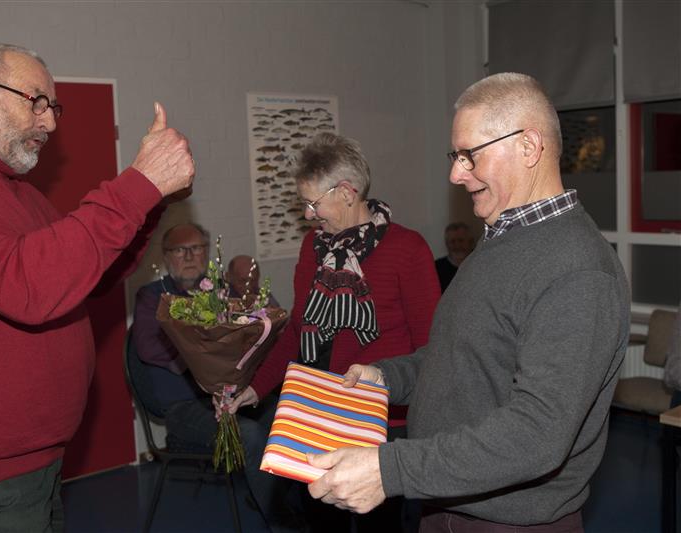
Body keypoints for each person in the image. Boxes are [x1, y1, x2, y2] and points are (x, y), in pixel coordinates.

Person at [0, 43, 194, 532]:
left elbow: (82, 276)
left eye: (53, 107)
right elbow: (30, 287)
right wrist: (140, 183)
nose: (49, 122)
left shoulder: (16, 192)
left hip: (30, 464)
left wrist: (152, 202)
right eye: (36, 102)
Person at [306, 73, 631, 532]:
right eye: (455, 157)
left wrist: (391, 470)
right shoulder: (502, 237)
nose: (456, 174)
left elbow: (537, 434)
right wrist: (387, 378)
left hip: (509, 523)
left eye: (469, 155)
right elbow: (464, 357)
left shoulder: (579, 270)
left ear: (528, 147)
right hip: (444, 503)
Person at [225, 132, 441, 532]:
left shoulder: (407, 249)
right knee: (322, 522)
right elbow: (298, 331)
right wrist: (256, 387)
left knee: (380, 527)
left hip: (381, 419)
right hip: (317, 411)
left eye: (313, 203)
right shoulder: (313, 248)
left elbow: (431, 348)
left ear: (346, 192)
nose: (308, 215)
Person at [131, 224, 297, 533]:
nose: (189, 256)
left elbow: (257, 329)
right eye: (180, 250)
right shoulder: (154, 297)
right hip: (183, 406)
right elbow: (147, 345)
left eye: (196, 248)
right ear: (166, 256)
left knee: (288, 415)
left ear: (207, 253)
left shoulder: (222, 293)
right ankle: (281, 522)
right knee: (250, 435)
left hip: (236, 397)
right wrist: (201, 360)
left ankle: (287, 500)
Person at [434, 222, 474, 292]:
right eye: (452, 241)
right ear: (446, 244)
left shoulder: (480, 264)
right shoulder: (436, 268)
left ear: (470, 242)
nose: (457, 245)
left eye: (461, 240)